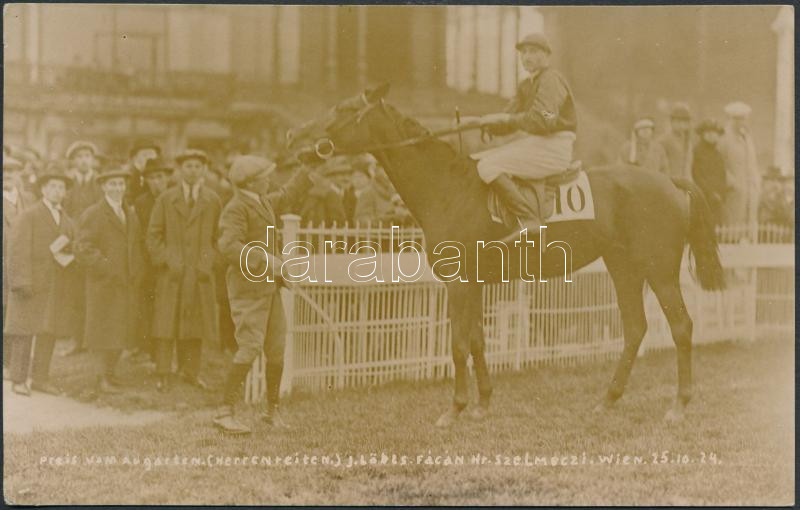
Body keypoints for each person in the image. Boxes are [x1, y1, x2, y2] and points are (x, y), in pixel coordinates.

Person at [214, 155, 313, 435]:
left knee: (276, 348)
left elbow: (287, 194)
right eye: (264, 177)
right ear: (251, 183)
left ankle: (271, 411)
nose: (269, 180)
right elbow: (229, 246)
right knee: (250, 346)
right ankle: (224, 412)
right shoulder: (235, 208)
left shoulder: (262, 201)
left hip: (269, 287)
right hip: (248, 289)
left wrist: (309, 167)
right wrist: (267, 260)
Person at [467, 33, 577, 238]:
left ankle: (527, 219)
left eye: (533, 51)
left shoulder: (551, 79)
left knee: (487, 166)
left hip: (555, 147)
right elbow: (509, 118)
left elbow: (545, 118)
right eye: (523, 53)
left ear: (546, 55)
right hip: (539, 143)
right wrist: (484, 123)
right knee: (476, 160)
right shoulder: (526, 85)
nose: (527, 57)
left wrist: (505, 119)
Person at [146, 149, 222, 392]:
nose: (193, 171)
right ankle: (163, 372)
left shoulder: (213, 200)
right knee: (166, 324)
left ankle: (191, 372)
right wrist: (168, 259)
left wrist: (208, 261)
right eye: (188, 166)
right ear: (179, 170)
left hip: (199, 274)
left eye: (198, 166)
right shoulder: (166, 199)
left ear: (204, 170)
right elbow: (153, 236)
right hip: (172, 274)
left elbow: (220, 237)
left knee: (195, 324)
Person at [4, 167, 77, 396]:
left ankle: (40, 379)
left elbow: (72, 246)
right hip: (31, 283)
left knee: (48, 331)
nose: (57, 191)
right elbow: (17, 250)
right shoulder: (30, 215)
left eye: (61, 187)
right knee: (24, 332)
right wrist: (21, 282)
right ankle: (18, 379)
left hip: (55, 285)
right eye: (53, 186)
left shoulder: (66, 220)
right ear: (43, 189)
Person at [76, 168, 144, 394]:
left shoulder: (129, 212)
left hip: (125, 284)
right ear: (104, 187)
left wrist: (135, 271)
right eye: (112, 184)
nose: (117, 188)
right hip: (103, 284)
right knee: (102, 332)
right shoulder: (94, 214)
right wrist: (106, 267)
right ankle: (101, 378)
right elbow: (83, 248)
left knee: (120, 331)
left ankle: (111, 374)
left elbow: (135, 245)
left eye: (121, 184)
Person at [62, 140, 103, 357]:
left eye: (87, 156)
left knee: (96, 295)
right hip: (73, 246)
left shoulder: (100, 184)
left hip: (95, 246)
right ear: (73, 161)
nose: (84, 160)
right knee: (75, 295)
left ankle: (93, 340)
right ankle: (77, 340)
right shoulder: (68, 185)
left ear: (93, 160)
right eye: (79, 157)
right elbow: (63, 213)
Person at [132, 157, 173, 364]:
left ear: (167, 178)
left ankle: (165, 353)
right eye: (152, 178)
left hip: (171, 261)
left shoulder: (174, 199)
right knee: (147, 306)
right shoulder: (141, 203)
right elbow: (138, 233)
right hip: (148, 262)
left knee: (168, 309)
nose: (157, 182)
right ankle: (147, 350)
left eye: (161, 177)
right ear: (146, 181)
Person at [3, 156, 37, 379]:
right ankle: (5, 362)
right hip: (3, 262)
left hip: (24, 265)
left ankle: (14, 364)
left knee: (19, 314)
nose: (7, 176)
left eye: (12, 172)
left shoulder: (29, 199)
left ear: (19, 175)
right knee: (3, 310)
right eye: (3, 173)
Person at [718, 101, 760, 234]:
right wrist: (732, 183)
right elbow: (719, 164)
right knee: (733, 226)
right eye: (737, 119)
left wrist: (756, 182)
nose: (741, 122)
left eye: (743, 118)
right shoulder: (724, 138)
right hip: (733, 190)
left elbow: (752, 163)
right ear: (730, 119)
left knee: (749, 224)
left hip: (749, 188)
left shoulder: (747, 137)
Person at [691, 119, 727, 227]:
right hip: (703, 196)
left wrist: (720, 193)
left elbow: (722, 176)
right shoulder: (696, 152)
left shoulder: (718, 154)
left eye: (715, 133)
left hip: (717, 199)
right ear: (702, 134)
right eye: (708, 132)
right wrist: (710, 193)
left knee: (717, 226)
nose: (712, 136)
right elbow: (697, 175)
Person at [658, 102, 694, 180]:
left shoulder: (687, 141)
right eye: (678, 122)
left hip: (686, 182)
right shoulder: (664, 140)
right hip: (670, 182)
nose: (681, 125)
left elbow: (688, 166)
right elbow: (660, 165)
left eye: (684, 123)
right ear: (672, 122)